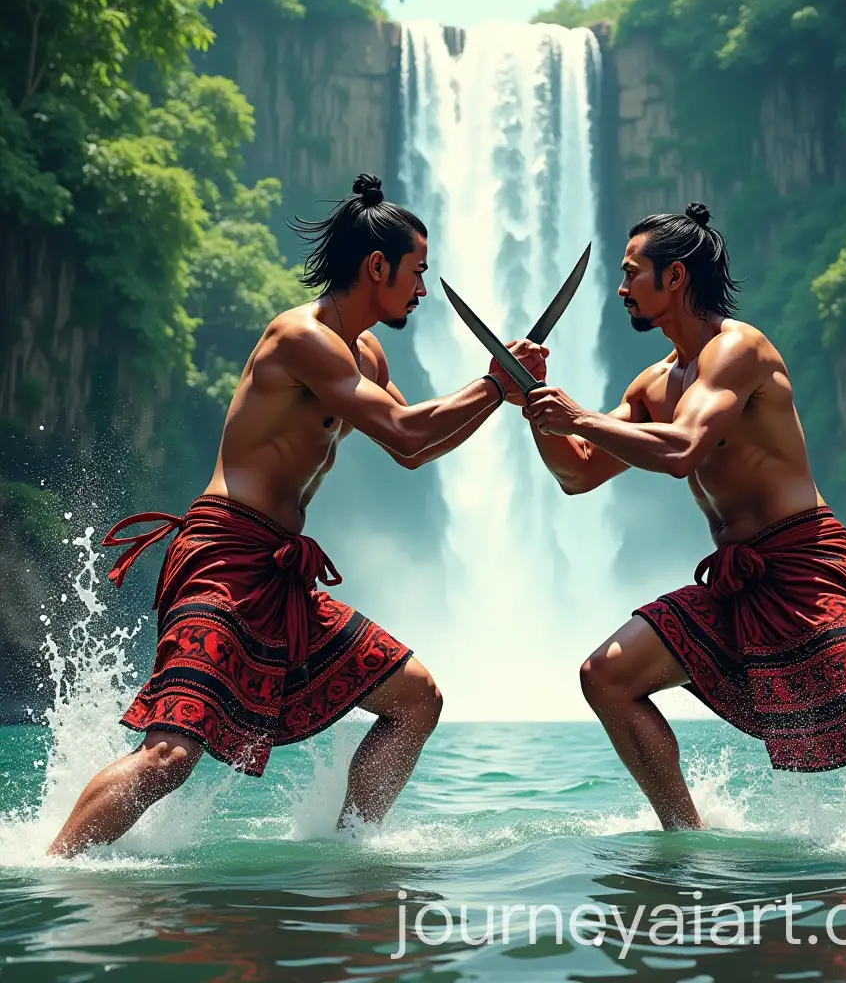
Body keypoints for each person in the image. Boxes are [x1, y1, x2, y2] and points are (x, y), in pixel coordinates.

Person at [48, 173, 547, 858]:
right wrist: (495, 381)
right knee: (169, 756)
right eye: (417, 272)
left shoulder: (365, 352)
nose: (423, 289)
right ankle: (53, 874)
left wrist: (499, 395)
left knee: (416, 699)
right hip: (221, 561)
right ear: (377, 267)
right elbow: (405, 429)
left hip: (278, 572)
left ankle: (350, 853)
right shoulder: (302, 337)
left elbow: (412, 451)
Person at [522, 202, 846, 838]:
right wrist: (531, 400)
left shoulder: (738, 350)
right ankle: (684, 839)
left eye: (633, 273)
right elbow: (579, 473)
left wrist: (576, 414)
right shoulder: (654, 381)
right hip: (737, 583)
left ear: (677, 277)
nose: (621, 287)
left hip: (807, 572)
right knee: (606, 676)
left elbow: (682, 447)